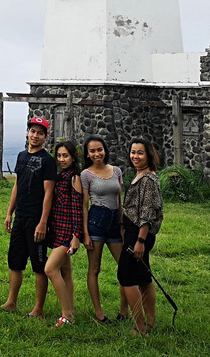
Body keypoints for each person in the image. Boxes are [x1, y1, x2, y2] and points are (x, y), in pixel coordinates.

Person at [0, 117, 56, 319]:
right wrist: (9, 212)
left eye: (40, 133)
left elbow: (49, 194)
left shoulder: (48, 161)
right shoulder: (21, 156)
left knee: (39, 266)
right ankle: (11, 302)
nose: (35, 135)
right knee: (15, 262)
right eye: (33, 131)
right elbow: (17, 185)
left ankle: (38, 309)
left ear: (45, 137)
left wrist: (43, 222)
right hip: (20, 217)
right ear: (28, 133)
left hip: (36, 220)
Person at [117, 136, 164, 335]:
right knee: (144, 278)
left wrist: (140, 240)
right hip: (134, 233)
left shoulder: (147, 179)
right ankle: (151, 322)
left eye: (140, 153)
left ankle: (140, 326)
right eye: (133, 152)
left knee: (126, 277)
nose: (135, 156)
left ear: (149, 155)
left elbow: (146, 213)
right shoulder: (141, 175)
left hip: (138, 235)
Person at [80, 135, 128, 325]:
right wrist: (85, 233)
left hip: (115, 222)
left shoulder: (116, 171)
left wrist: (122, 224)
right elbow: (84, 205)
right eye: (92, 151)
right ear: (88, 154)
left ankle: (124, 311)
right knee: (94, 269)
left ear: (105, 150)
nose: (96, 153)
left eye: (99, 149)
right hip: (96, 220)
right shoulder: (86, 174)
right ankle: (99, 314)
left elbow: (120, 200)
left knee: (124, 267)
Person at [43, 140, 82, 327]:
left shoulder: (74, 178)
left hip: (67, 232)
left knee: (50, 269)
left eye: (65, 155)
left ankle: (67, 315)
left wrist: (76, 235)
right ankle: (70, 312)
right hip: (57, 229)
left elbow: (77, 208)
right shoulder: (61, 175)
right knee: (66, 272)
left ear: (73, 156)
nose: (61, 159)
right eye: (59, 156)